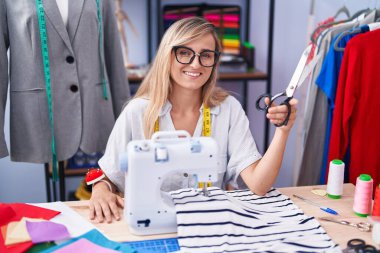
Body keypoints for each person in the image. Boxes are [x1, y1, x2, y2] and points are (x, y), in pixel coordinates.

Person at [89, 17, 298, 223]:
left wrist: (283, 132)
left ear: (214, 61)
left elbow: (259, 185)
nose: (196, 64)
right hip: (149, 224)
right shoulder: (138, 112)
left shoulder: (228, 110)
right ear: (167, 56)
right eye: (184, 53)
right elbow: (105, 174)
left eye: (206, 55)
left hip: (207, 226)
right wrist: (99, 190)